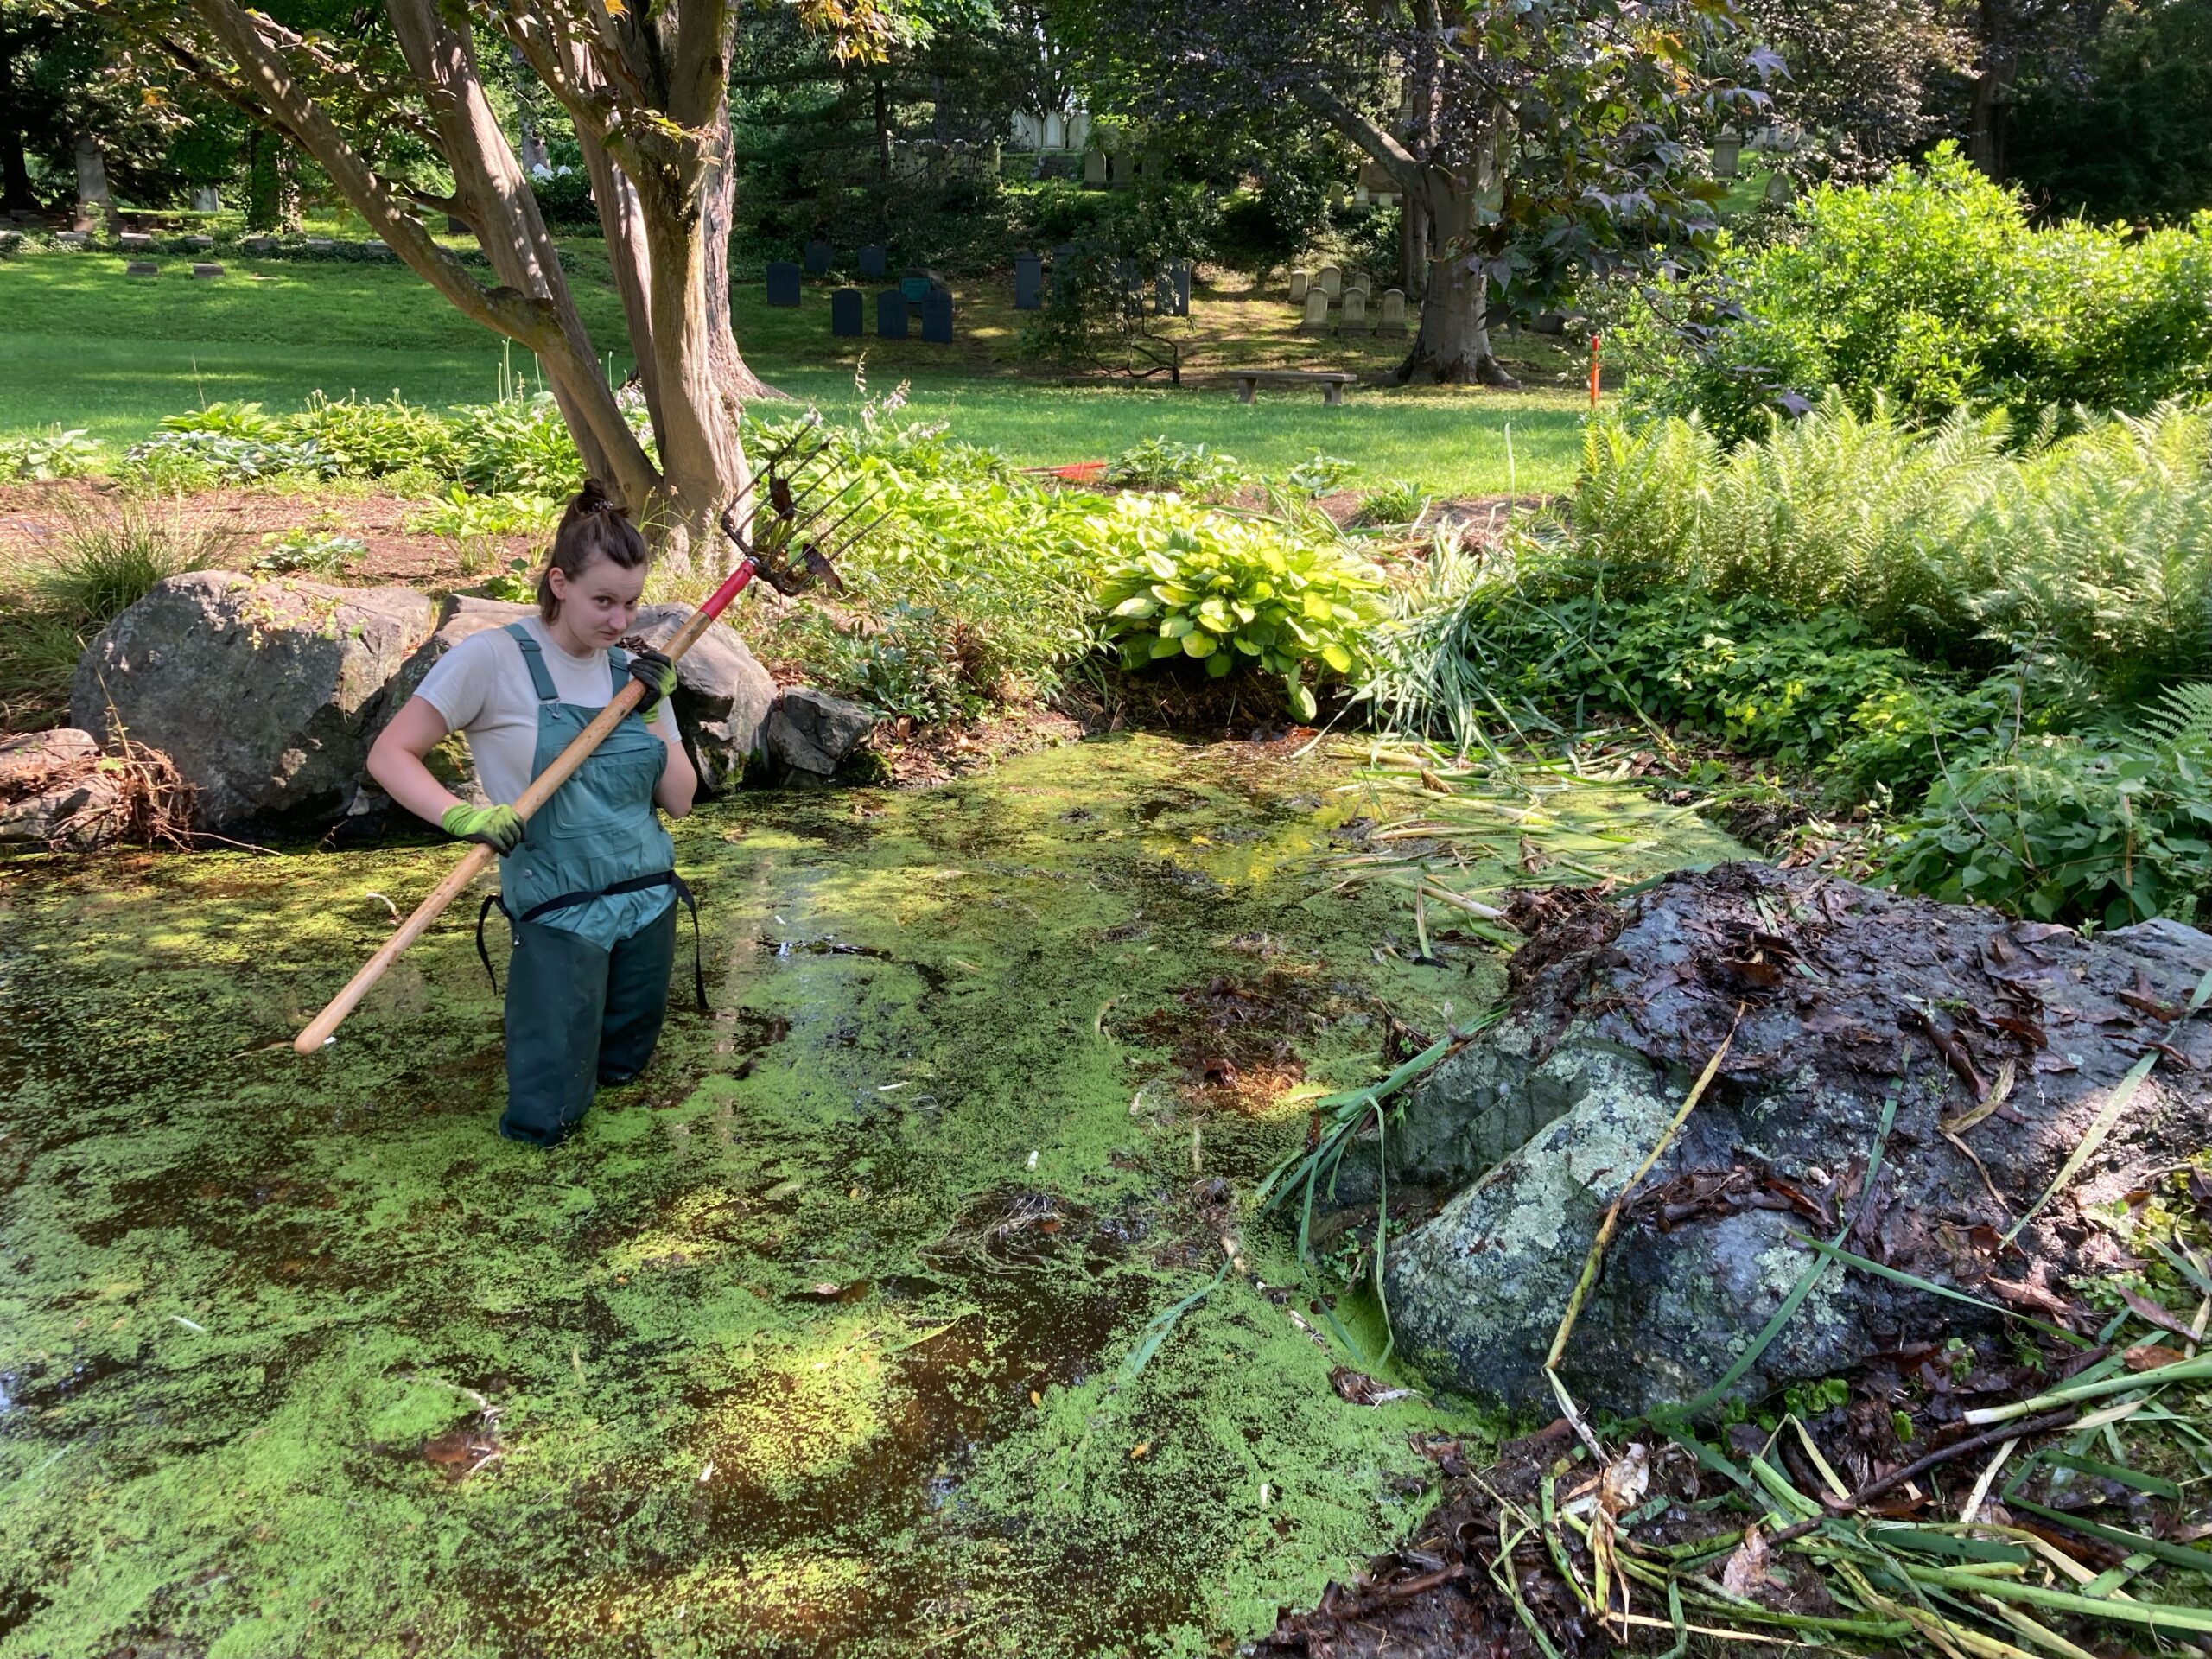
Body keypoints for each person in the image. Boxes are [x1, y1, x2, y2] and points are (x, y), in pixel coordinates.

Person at [368, 481, 699, 1147]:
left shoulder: (631, 674)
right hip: (557, 914)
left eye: (632, 603)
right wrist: (458, 816)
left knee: (626, 1084)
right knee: (546, 1114)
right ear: (559, 582)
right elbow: (390, 754)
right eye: (603, 601)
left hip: (647, 905)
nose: (619, 621)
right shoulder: (490, 660)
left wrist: (659, 712)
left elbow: (680, 800)